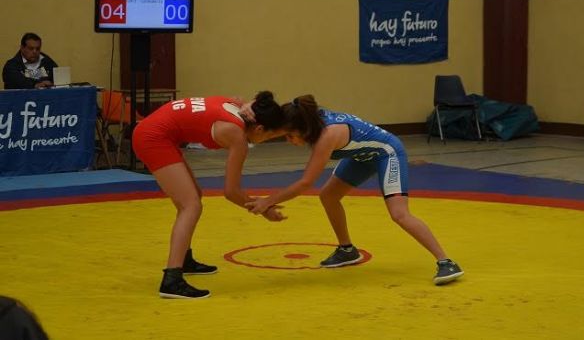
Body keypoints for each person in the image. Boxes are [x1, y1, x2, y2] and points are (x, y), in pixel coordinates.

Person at [244, 95, 465, 285]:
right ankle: (347, 250)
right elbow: (276, 122)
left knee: (399, 214)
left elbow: (305, 182)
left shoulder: (326, 137)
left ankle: (446, 262)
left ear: (305, 130)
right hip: (361, 155)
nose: (289, 142)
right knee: (329, 196)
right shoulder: (303, 116)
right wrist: (249, 107)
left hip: (387, 153)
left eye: (291, 137)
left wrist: (267, 201)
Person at [132, 91, 290, 299]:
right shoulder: (237, 136)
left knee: (191, 197)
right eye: (269, 137)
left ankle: (184, 260)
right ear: (259, 128)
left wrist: (251, 100)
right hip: (153, 138)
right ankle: (171, 279)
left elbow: (257, 100)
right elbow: (231, 192)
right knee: (191, 205)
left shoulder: (236, 105)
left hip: (155, 131)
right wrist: (264, 209)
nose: (265, 141)